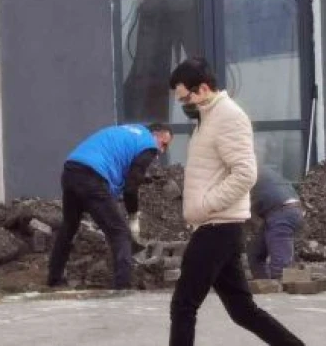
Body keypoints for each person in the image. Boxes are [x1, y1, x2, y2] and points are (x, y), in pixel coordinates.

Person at [167, 57, 304, 346]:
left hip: (216, 225)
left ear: (203, 89)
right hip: (219, 226)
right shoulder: (208, 119)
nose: (183, 105)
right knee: (242, 310)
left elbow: (245, 174)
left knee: (183, 305)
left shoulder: (229, 116)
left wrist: (205, 205)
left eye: (185, 98)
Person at [47, 122, 174, 290]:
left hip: (71, 170)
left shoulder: (128, 132)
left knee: (69, 225)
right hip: (92, 176)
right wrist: (133, 217)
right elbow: (130, 188)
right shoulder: (148, 145)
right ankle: (123, 287)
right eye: (163, 144)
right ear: (155, 134)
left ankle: (54, 279)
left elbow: (117, 165)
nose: (161, 151)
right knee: (120, 232)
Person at [247, 164, 305, 280]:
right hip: (286, 211)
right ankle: (262, 283)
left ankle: (280, 288)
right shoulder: (262, 170)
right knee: (255, 253)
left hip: (282, 213)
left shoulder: (246, 171)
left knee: (280, 267)